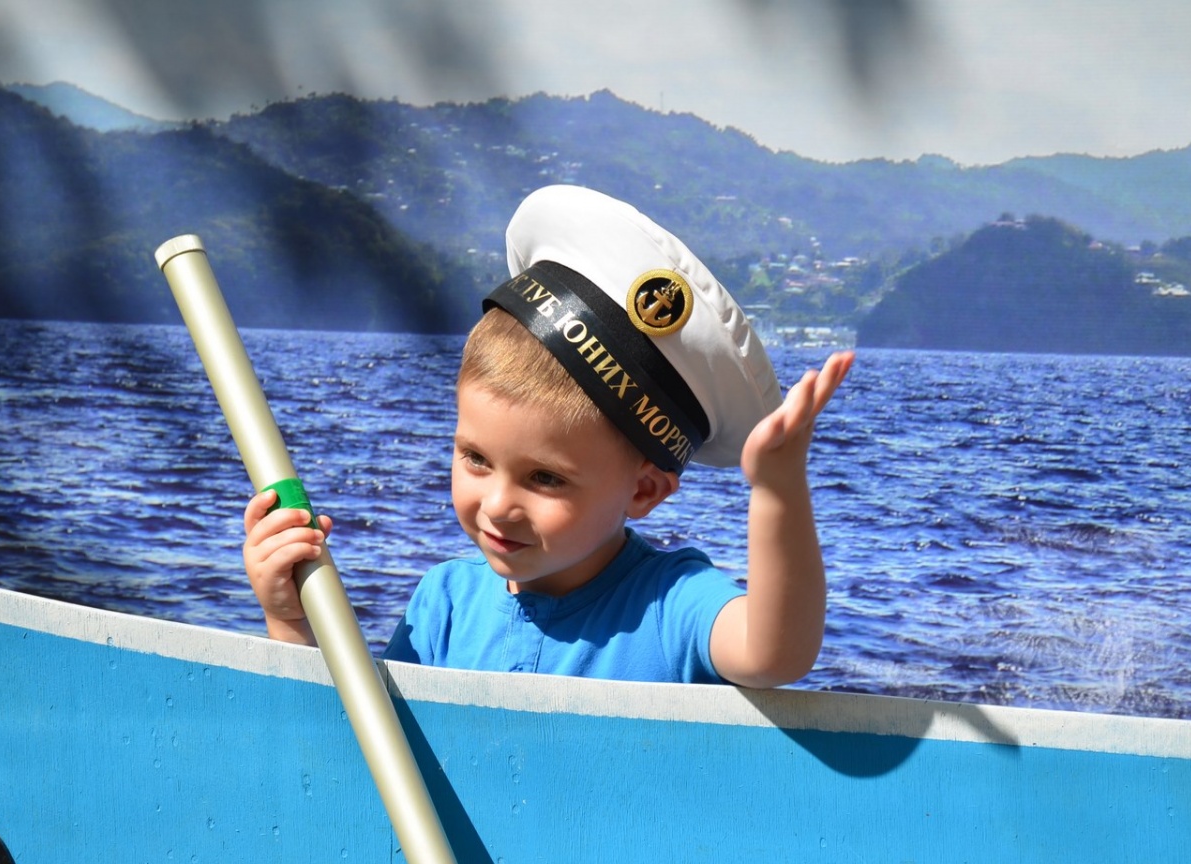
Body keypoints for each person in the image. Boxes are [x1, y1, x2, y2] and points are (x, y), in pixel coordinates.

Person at [242, 185, 853, 687]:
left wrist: (778, 491)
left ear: (644, 490)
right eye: (476, 458)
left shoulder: (672, 604)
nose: (498, 505)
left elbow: (775, 654)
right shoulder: (444, 603)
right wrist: (293, 621)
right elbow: (361, 747)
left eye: (545, 478)